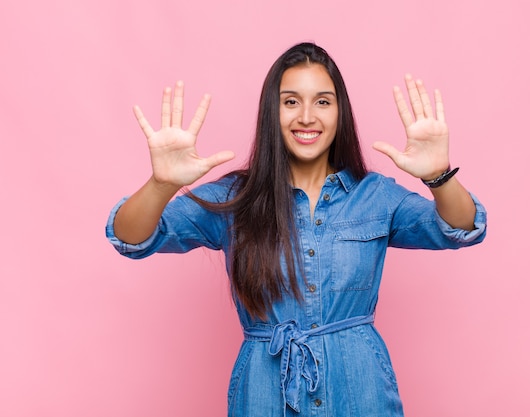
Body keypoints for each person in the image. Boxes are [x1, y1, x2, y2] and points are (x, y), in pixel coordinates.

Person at [106, 42, 487, 416]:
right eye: (291, 101)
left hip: (361, 391)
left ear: (340, 113)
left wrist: (439, 176)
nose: (307, 116)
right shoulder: (235, 198)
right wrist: (162, 184)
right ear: (272, 112)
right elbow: (131, 237)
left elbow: (461, 227)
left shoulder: (376, 196)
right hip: (263, 395)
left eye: (323, 101)